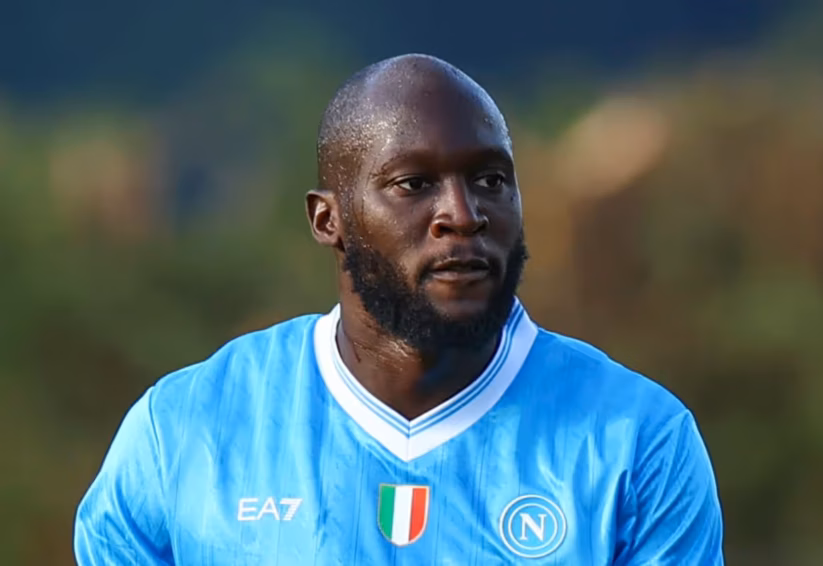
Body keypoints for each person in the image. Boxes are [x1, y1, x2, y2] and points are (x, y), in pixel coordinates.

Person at [74, 53, 724, 565]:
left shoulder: (639, 443)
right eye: (414, 184)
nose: (462, 215)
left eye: (490, 180)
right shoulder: (184, 433)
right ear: (328, 220)